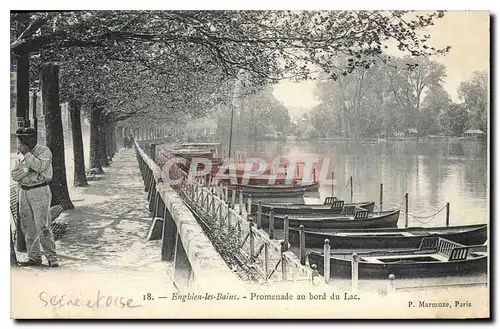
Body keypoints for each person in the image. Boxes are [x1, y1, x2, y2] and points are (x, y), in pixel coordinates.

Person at [11, 127, 59, 267]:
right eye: (20, 139)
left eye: (24, 138)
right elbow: (14, 175)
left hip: (39, 190)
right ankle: (34, 258)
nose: (21, 142)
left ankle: (52, 258)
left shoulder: (44, 151)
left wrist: (28, 159)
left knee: (42, 225)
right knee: (28, 227)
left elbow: (39, 167)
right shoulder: (20, 153)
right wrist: (28, 169)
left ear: (33, 138)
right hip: (24, 191)